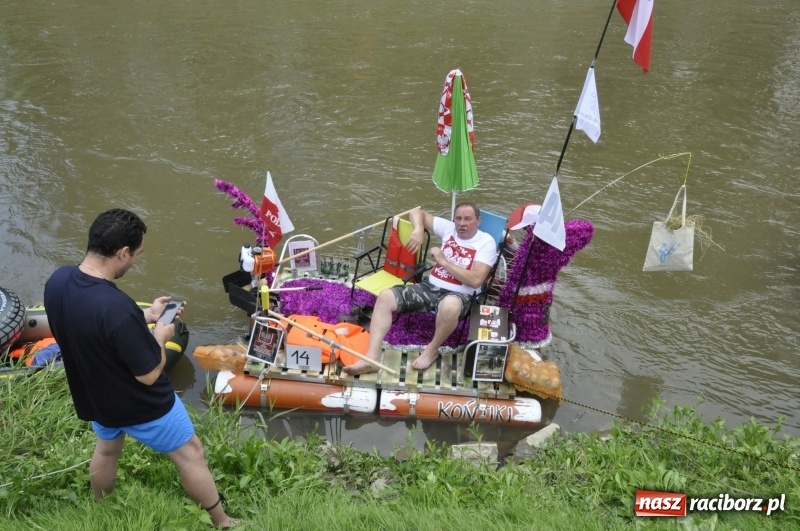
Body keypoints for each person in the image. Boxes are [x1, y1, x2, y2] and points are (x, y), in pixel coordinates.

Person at [43, 209, 240, 529]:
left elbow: (95, 325)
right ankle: (223, 521)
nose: (135, 261)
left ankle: (99, 509)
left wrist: (146, 315)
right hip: (142, 403)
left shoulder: (58, 281)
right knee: (191, 453)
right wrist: (160, 336)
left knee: (107, 451)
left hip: (95, 395)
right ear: (122, 253)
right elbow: (148, 373)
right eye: (136, 254)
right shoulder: (116, 308)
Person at [343, 203, 497, 375]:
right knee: (386, 296)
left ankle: (431, 350)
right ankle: (371, 358)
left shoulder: (486, 242)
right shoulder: (449, 228)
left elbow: (476, 280)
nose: (462, 223)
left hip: (459, 295)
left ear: (478, 220)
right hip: (429, 287)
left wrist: (444, 261)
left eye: (468, 219)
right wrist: (417, 230)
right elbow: (416, 211)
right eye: (458, 218)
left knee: (450, 306)